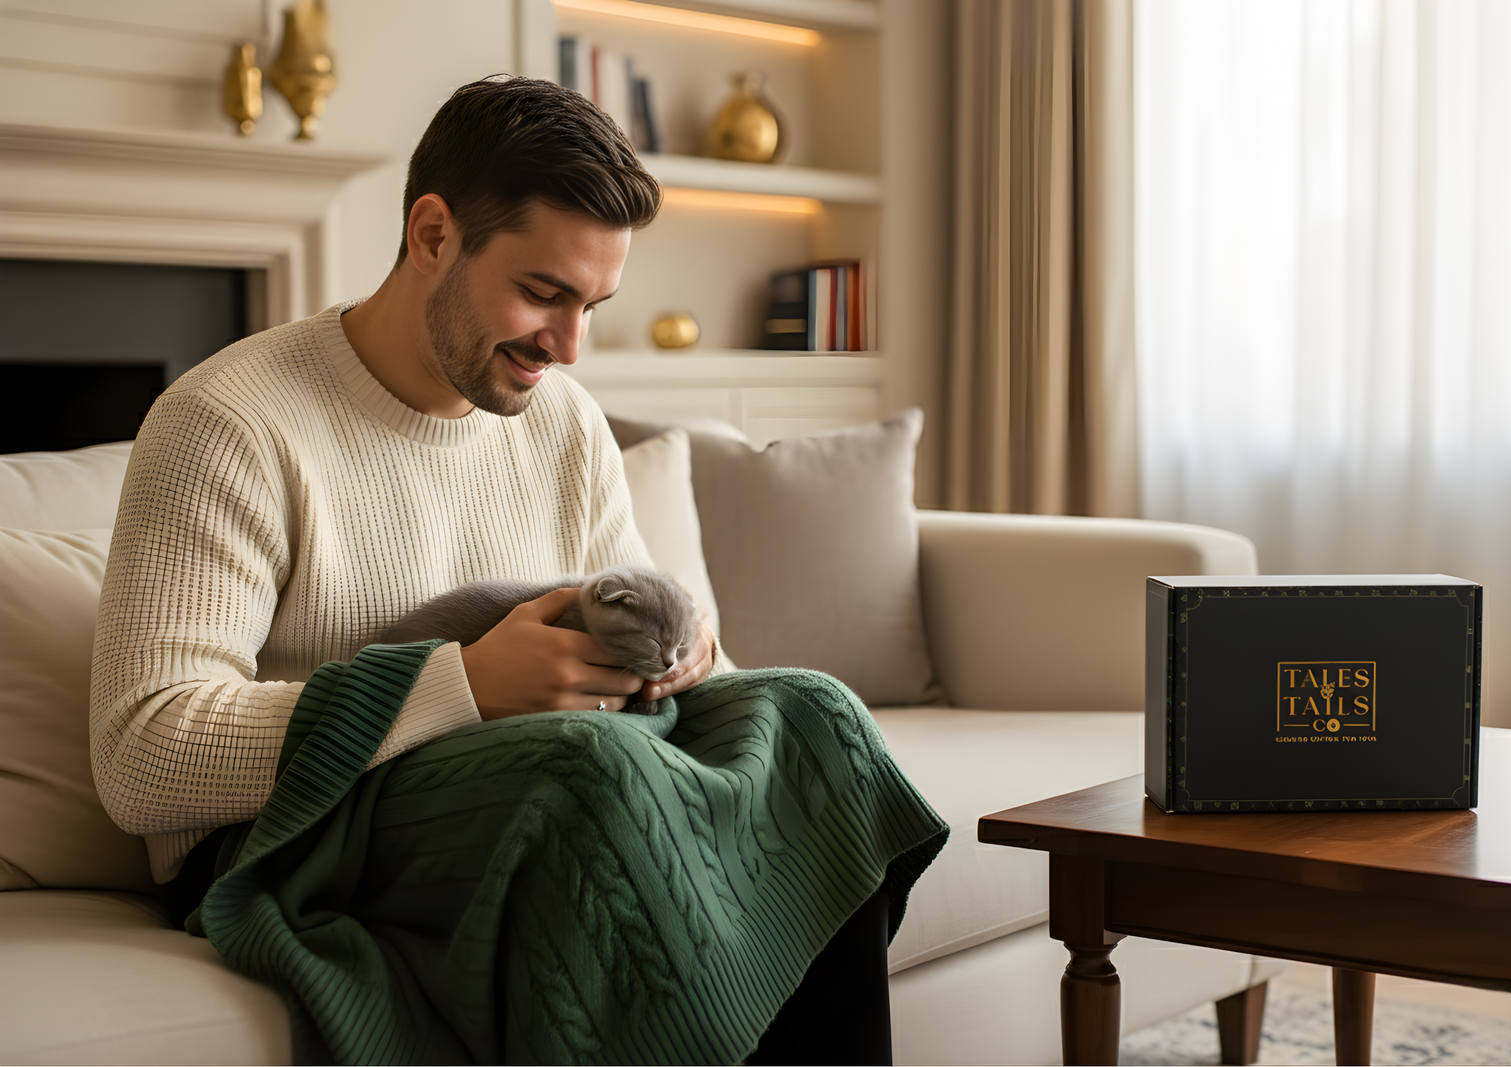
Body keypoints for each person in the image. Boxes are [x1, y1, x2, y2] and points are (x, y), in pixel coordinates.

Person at [90, 77, 937, 1064]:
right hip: (295, 837)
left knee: (811, 714)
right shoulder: (227, 420)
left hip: (534, 782)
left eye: (593, 304)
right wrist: (466, 685)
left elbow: (662, 637)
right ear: (433, 233)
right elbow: (142, 760)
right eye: (543, 293)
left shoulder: (562, 418)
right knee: (598, 769)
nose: (567, 345)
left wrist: (687, 655)